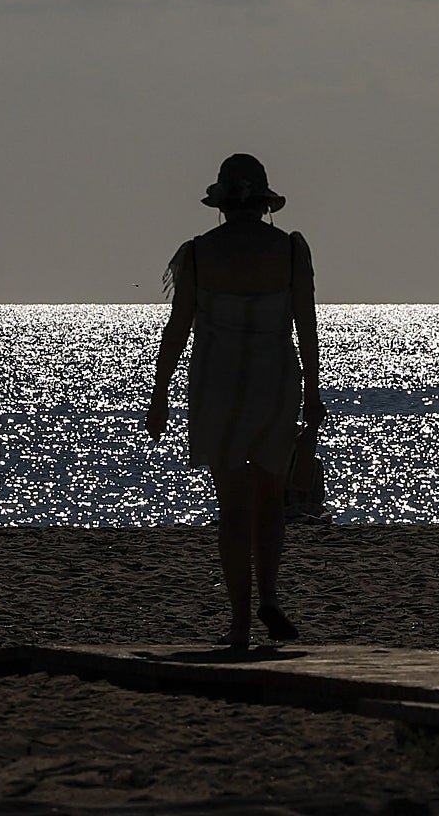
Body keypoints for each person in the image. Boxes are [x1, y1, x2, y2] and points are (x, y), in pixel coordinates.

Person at [146, 153, 326, 648]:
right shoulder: (290, 251)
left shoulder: (198, 254)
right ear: (264, 203)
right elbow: (306, 326)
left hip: (216, 385)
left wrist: (159, 393)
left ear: (221, 205)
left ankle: (240, 622)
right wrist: (314, 391)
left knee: (232, 507)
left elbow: (177, 329)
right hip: (275, 381)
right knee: (270, 498)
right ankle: (269, 595)